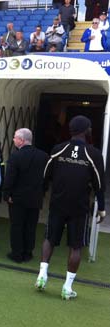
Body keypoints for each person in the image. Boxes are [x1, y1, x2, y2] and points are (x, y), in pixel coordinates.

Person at [35, 115, 106, 300]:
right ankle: (67, 287)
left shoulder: (58, 149)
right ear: (87, 131)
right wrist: (102, 208)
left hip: (58, 203)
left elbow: (45, 174)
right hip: (79, 207)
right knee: (76, 246)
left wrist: (44, 192)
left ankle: (42, 275)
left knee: (50, 239)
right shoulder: (94, 153)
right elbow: (100, 183)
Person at [3, 128, 49, 263]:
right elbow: (47, 178)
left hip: (17, 198)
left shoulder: (15, 156)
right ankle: (28, 252)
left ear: (21, 140)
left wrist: (7, 194)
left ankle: (17, 253)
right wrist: (43, 192)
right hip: (35, 198)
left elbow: (10, 178)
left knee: (17, 226)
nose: (13, 140)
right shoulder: (44, 156)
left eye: (15, 137)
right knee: (31, 226)